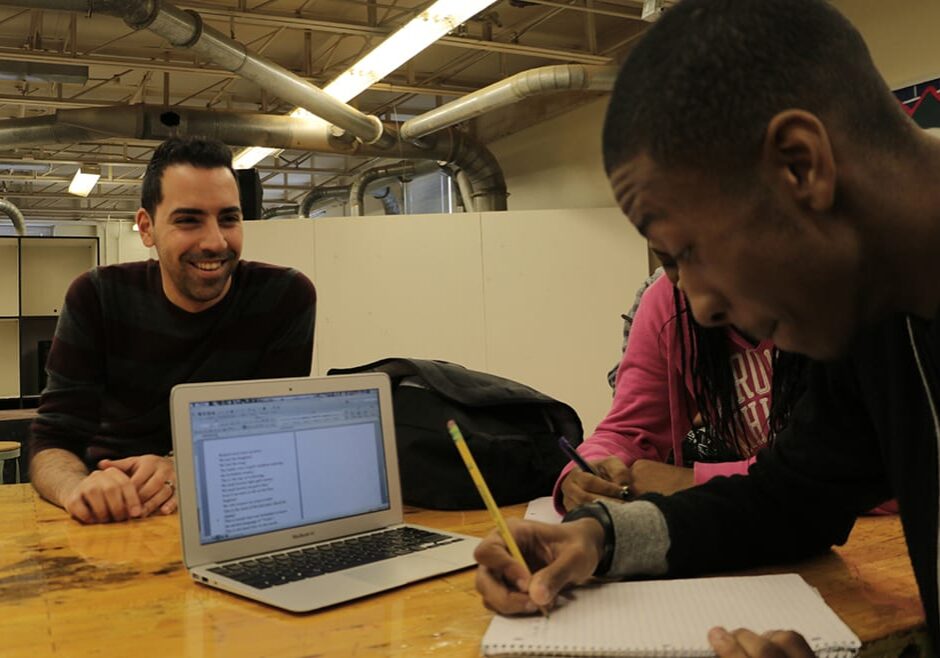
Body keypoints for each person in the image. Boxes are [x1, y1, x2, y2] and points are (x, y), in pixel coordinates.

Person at [473, 1, 940, 655]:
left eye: (686, 252)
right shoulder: (872, 311)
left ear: (800, 166)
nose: (697, 308)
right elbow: (792, 499)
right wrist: (598, 537)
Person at [28, 136, 317, 525]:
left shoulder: (284, 298)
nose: (215, 241)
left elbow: (273, 435)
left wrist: (184, 469)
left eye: (228, 218)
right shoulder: (97, 295)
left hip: (232, 506)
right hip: (112, 514)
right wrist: (75, 488)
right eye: (188, 220)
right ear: (146, 228)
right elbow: (51, 440)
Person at [557, 265, 808, 511]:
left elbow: (826, 467)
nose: (683, 282)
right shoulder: (668, 302)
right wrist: (587, 470)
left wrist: (689, 481)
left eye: (692, 252)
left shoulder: (828, 290)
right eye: (667, 260)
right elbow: (629, 431)